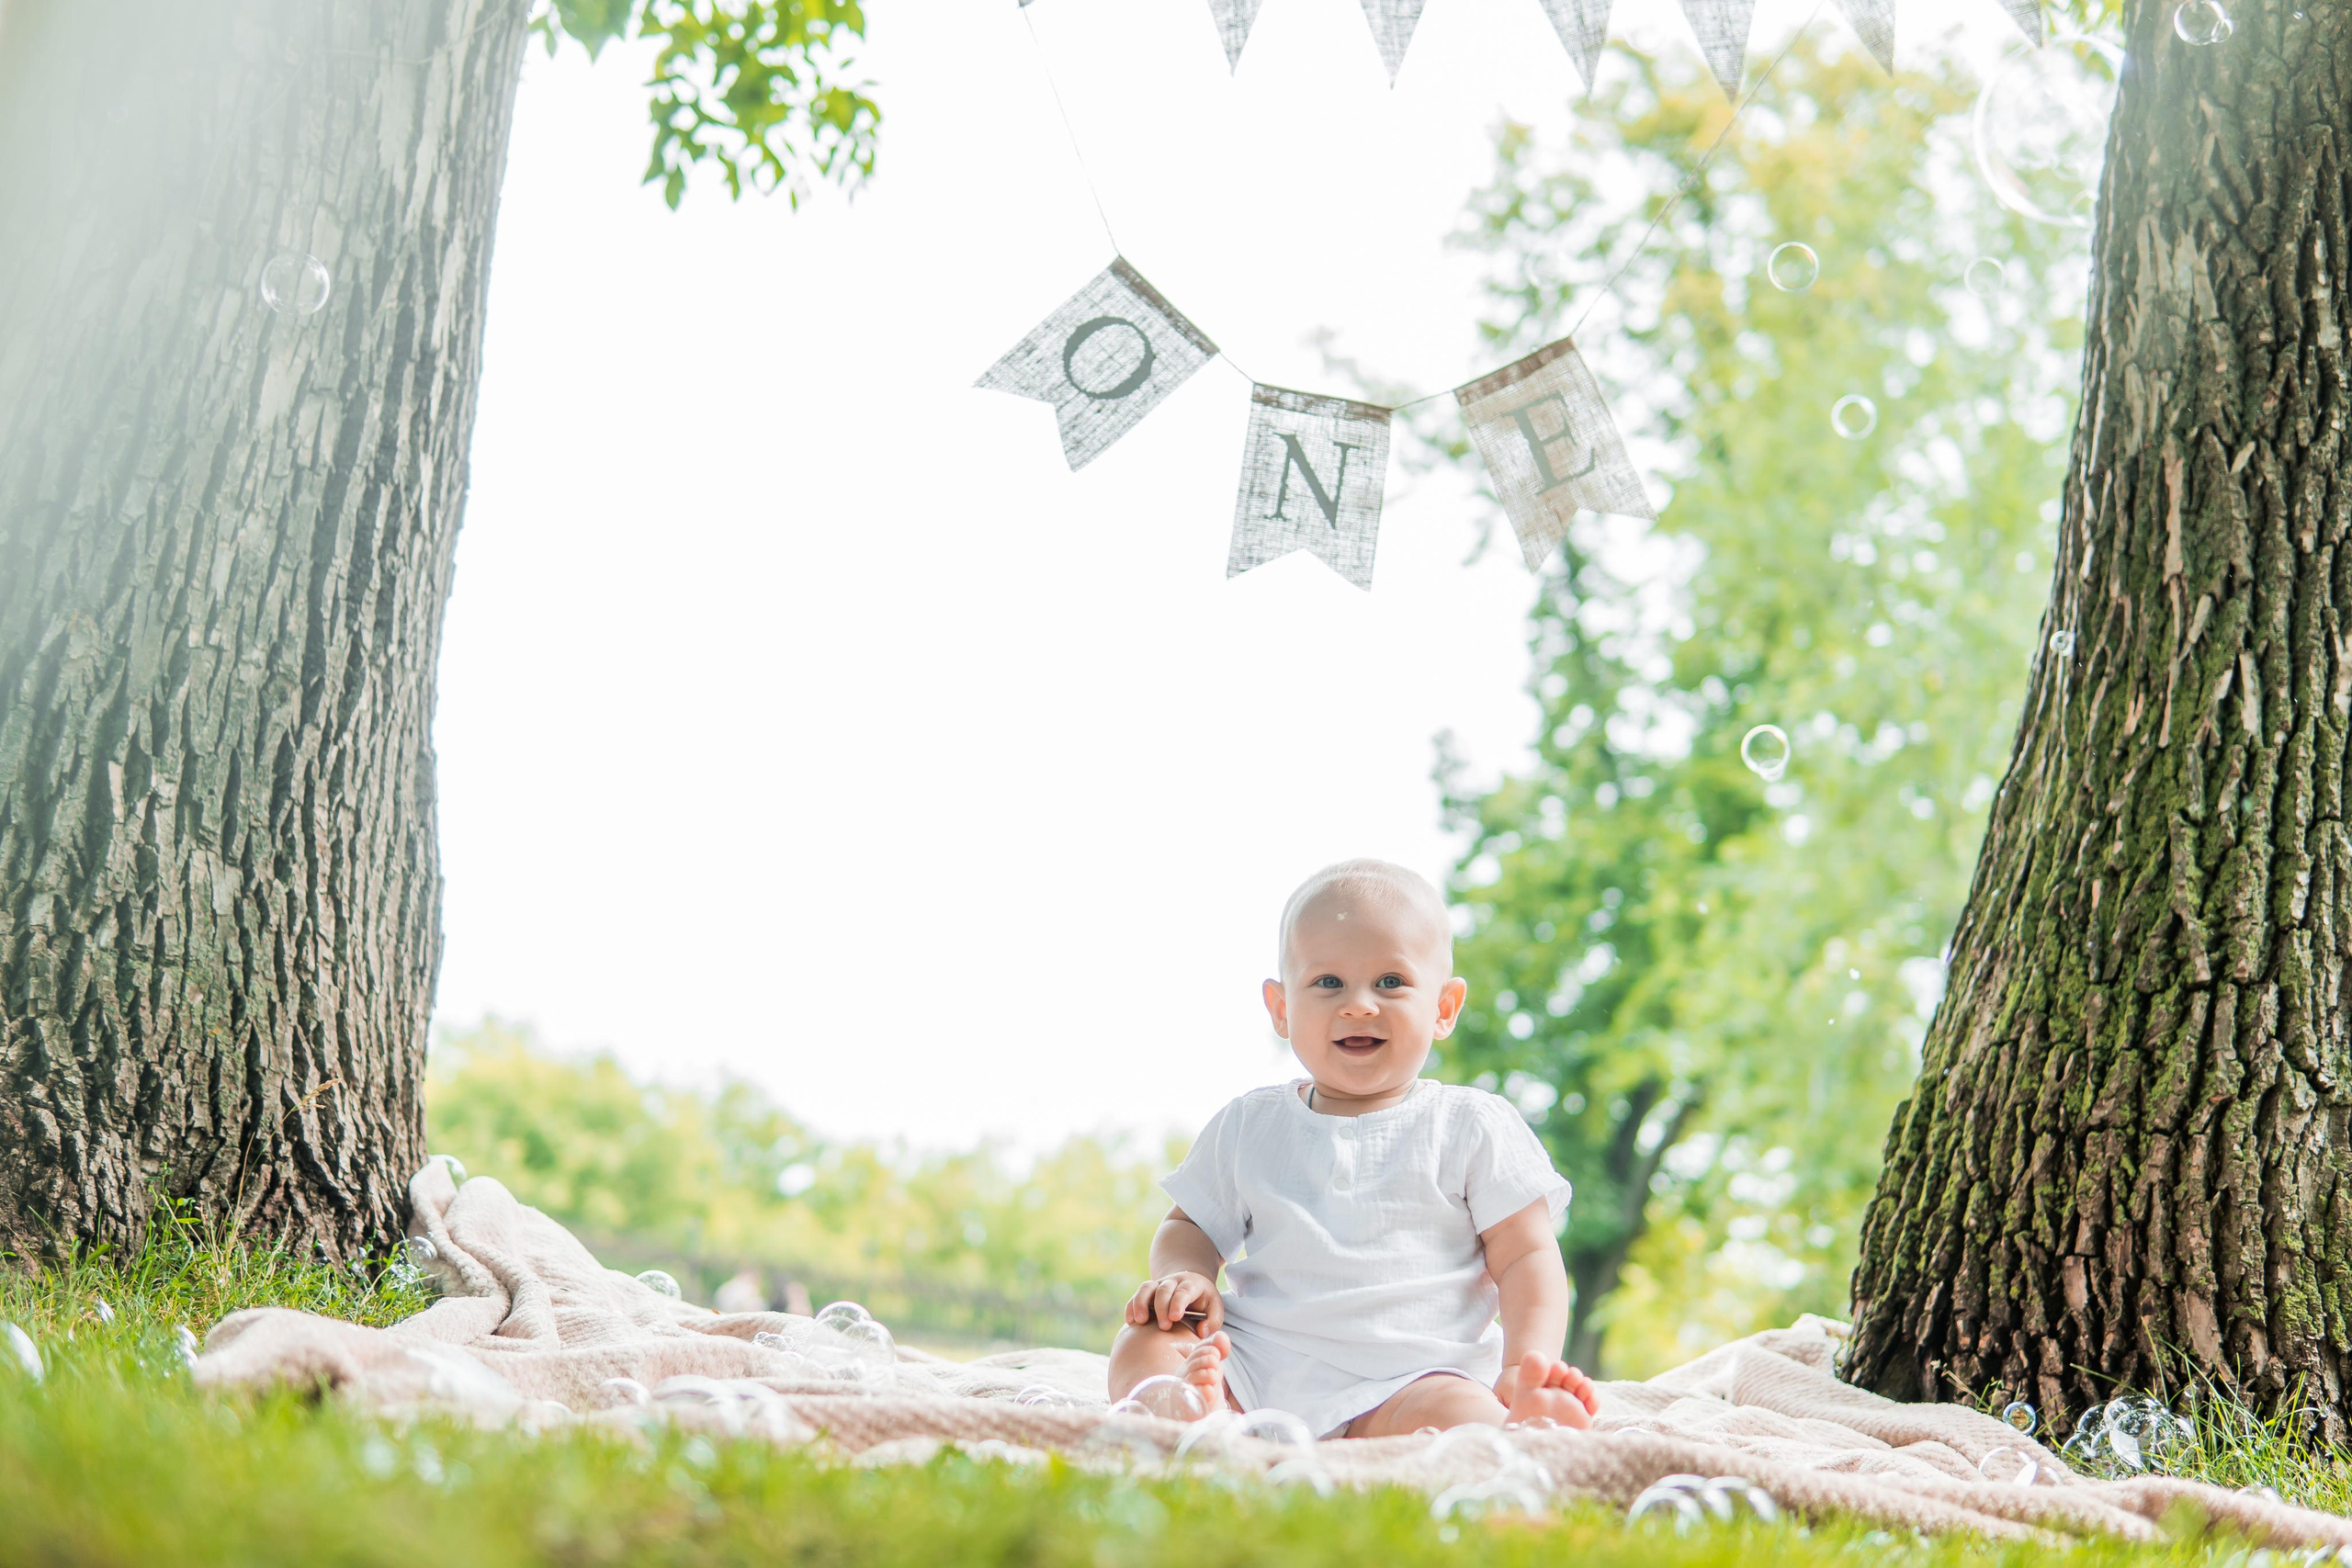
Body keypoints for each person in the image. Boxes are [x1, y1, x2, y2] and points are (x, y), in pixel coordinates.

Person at [1108, 858, 1600, 1438]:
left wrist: (1521, 1365)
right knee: (1145, 1346)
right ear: (1282, 1009)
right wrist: (1185, 1277)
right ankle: (1208, 1423)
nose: (1359, 1004)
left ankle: (1521, 1424)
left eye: (1391, 982)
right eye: (1328, 982)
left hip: (1412, 1377)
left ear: (1443, 1009)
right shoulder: (1250, 1124)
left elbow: (1527, 1257)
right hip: (1255, 1363)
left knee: (1457, 1418)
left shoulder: (1471, 1125)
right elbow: (1187, 1226)